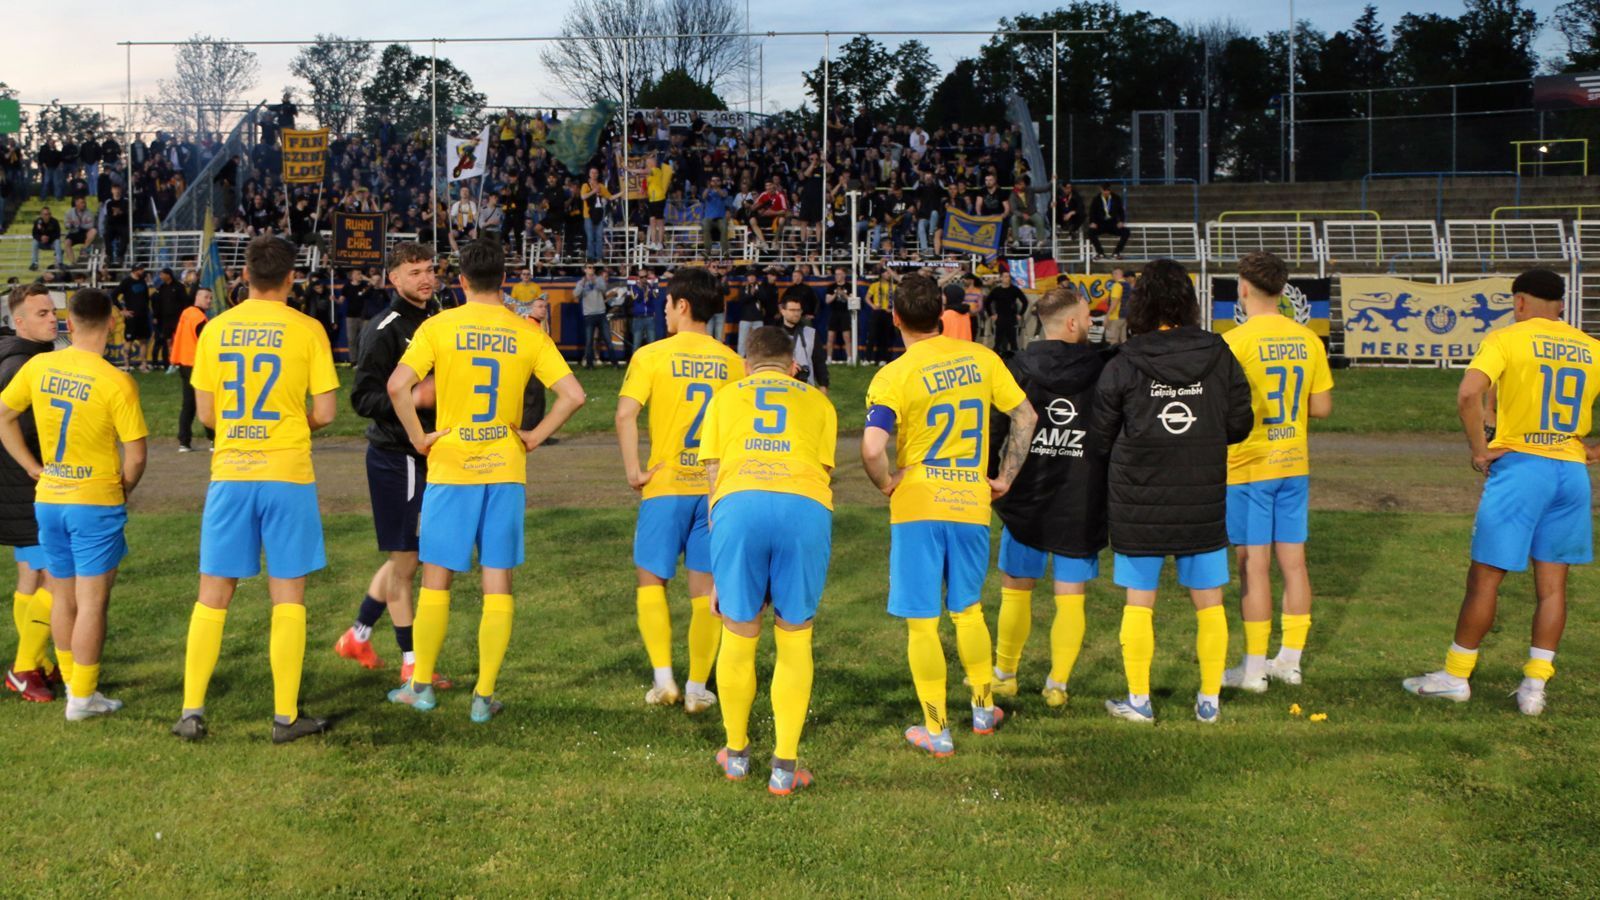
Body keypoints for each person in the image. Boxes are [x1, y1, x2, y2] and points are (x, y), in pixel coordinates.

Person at [385, 240, 586, 721]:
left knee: (436, 582)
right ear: (504, 280)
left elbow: (397, 386)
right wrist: (534, 435)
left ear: (461, 281)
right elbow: (573, 395)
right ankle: (483, 696)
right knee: (498, 583)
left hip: (453, 466)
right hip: (504, 467)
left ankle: (421, 687)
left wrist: (420, 438)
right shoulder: (526, 332)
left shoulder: (439, 325)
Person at [1403, 269, 1600, 716]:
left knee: (1484, 580)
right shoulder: (1591, 347)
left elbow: (1469, 395)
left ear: (1520, 303)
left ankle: (1456, 676)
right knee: (1553, 588)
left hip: (1522, 469)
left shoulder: (1506, 338)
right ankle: (1535, 687)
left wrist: (1480, 451)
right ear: (1562, 305)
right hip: (1570, 474)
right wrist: (1592, 449)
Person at [860, 274, 1038, 757]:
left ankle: (937, 728)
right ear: (942, 311)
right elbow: (1026, 417)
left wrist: (885, 483)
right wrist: (1004, 477)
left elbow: (874, 447)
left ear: (895, 317)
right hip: (969, 498)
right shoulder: (983, 358)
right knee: (968, 609)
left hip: (918, 500)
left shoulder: (892, 375)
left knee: (922, 621)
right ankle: (982, 708)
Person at [172, 235, 341, 743]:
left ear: (245, 276)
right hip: (287, 472)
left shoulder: (215, 329)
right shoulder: (308, 329)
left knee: (213, 595)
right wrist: (289, 425)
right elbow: (328, 412)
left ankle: (191, 710)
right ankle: (286, 717)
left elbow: (204, 415)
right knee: (287, 596)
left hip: (231, 474)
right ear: (292, 277)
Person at [1089, 259, 1253, 725]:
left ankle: (1139, 700)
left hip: (1138, 498)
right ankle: (1209, 701)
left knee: (1139, 602)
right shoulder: (1219, 353)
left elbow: (1101, 436)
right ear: (1188, 301)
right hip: (1200, 495)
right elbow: (1240, 423)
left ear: (1142, 303)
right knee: (1210, 601)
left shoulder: (1124, 361)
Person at [0, 288, 148, 721]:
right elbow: (136, 455)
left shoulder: (41, 366)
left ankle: (72, 688)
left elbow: (4, 416)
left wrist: (31, 466)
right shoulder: (115, 380)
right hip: (93, 501)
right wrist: (124, 488)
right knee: (91, 602)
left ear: (69, 323)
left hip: (50, 498)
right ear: (112, 322)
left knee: (62, 596)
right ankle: (82, 696)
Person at [703, 325, 837, 796]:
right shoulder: (818, 401)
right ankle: (784, 767)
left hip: (739, 506)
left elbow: (715, 476)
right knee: (795, 638)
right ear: (793, 364)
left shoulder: (724, 397)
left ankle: (737, 755)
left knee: (738, 635)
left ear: (746, 362)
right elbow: (823, 471)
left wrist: (722, 568)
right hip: (803, 506)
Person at [615, 267, 742, 710]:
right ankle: (697, 688)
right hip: (713, 490)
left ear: (682, 305)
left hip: (665, 484)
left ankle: (664, 678)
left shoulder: (651, 355)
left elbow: (625, 414)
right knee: (705, 590)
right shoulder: (731, 361)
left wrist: (635, 469)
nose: (663, 310)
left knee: (651, 580)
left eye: (667, 303)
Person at [335, 242, 453, 690]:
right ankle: (412, 665)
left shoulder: (438, 318)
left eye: (429, 270)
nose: (426, 278)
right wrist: (414, 398)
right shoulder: (383, 328)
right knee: (407, 561)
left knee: (409, 556)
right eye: (414, 272)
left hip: (430, 453)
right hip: (396, 457)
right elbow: (362, 398)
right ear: (394, 279)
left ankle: (358, 635)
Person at [1218, 253, 1334, 693]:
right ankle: (1289, 660)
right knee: (1294, 564)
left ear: (1242, 288)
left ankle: (1252, 672)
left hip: (1249, 466)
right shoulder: (1307, 339)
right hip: (1293, 462)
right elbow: (1321, 406)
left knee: (1254, 567)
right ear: (1284, 291)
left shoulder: (1234, 342)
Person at [987, 284, 1108, 707]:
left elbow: (997, 424)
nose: (1092, 323)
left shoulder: (1018, 366)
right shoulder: (1103, 367)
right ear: (1072, 322)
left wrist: (990, 475)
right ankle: (1057, 684)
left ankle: (1004, 674)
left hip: (1027, 496)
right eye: (1088, 316)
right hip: (1082, 496)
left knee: (1016, 588)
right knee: (1070, 594)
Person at [0, 285, 63, 702]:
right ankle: (25, 667)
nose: (52, 318)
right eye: (41, 314)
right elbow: (18, 427)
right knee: (57, 582)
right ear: (18, 322)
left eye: (52, 311)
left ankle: (36, 663)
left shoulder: (20, 357)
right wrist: (38, 466)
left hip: (16, 486)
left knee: (30, 575)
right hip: (29, 487)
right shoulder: (24, 365)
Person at [172, 287, 214, 452]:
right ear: (197, 297)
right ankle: (214, 439)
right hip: (197, 364)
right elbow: (206, 342)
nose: (209, 300)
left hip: (184, 363)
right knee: (207, 401)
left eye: (210, 298)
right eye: (206, 297)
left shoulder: (187, 313)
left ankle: (184, 441)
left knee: (188, 404)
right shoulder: (199, 317)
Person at [776, 287, 829, 393]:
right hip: (780, 387)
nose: (796, 313)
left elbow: (819, 361)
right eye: (792, 310)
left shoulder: (811, 333)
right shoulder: (773, 334)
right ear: (783, 311)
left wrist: (823, 385)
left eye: (798, 310)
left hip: (806, 387)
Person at [576, 265, 611, 368]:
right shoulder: (581, 282)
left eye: (592, 268)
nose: (590, 269)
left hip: (600, 313)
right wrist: (583, 283)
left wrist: (595, 281)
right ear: (585, 270)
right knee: (590, 340)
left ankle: (614, 363)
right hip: (589, 315)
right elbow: (576, 294)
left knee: (606, 339)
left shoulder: (599, 279)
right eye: (588, 268)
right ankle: (589, 362)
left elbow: (604, 289)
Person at [987, 270, 1026, 358]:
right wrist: (992, 314)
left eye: (1008, 276)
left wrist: (1020, 314)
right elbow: (987, 302)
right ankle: (996, 358)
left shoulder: (1014, 290)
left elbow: (1025, 302)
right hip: (1000, 317)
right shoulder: (996, 290)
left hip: (1011, 318)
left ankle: (1015, 360)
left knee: (1013, 341)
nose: (1007, 278)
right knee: (998, 340)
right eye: (1005, 276)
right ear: (1001, 278)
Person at [1087, 183, 1131, 260]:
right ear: (1101, 190)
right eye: (1104, 190)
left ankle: (1116, 253)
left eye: (1108, 190)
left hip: (1112, 223)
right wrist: (1092, 222)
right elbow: (1092, 212)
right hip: (1100, 224)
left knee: (1126, 232)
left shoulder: (1116, 198)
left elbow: (1121, 211)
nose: (1106, 192)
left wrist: (1121, 221)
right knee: (1090, 232)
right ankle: (1100, 253)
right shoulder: (1096, 199)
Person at [865, 269, 895, 365]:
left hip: (887, 312)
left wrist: (892, 309)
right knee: (872, 335)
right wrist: (873, 306)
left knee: (885, 336)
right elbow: (867, 298)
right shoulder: (875, 285)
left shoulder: (894, 286)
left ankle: (882, 358)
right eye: (886, 273)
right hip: (877, 312)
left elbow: (898, 300)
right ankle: (868, 358)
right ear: (881, 274)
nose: (888, 275)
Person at [700, 176, 732, 258]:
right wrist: (709, 188)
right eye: (713, 181)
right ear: (710, 182)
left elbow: (724, 195)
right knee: (705, 226)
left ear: (720, 182)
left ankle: (725, 251)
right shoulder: (708, 191)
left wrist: (716, 188)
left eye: (717, 180)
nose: (715, 182)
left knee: (724, 228)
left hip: (720, 218)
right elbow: (703, 196)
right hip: (709, 218)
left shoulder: (724, 190)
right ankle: (707, 251)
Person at [64, 198, 97, 267]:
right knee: (67, 242)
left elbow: (91, 225)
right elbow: (66, 225)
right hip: (73, 232)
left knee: (93, 231)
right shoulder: (69, 212)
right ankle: (73, 263)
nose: (84, 204)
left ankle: (84, 249)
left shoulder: (89, 212)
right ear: (76, 203)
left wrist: (80, 225)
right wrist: (71, 224)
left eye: (84, 203)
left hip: (84, 232)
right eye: (82, 203)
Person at [1103, 268, 1129, 345]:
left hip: (1116, 316)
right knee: (1123, 339)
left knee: (1113, 340)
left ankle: (1114, 356)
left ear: (1117, 274)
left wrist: (1107, 316)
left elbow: (1115, 302)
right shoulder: (1128, 285)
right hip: (1125, 316)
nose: (1112, 276)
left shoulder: (1117, 285)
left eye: (1113, 274)